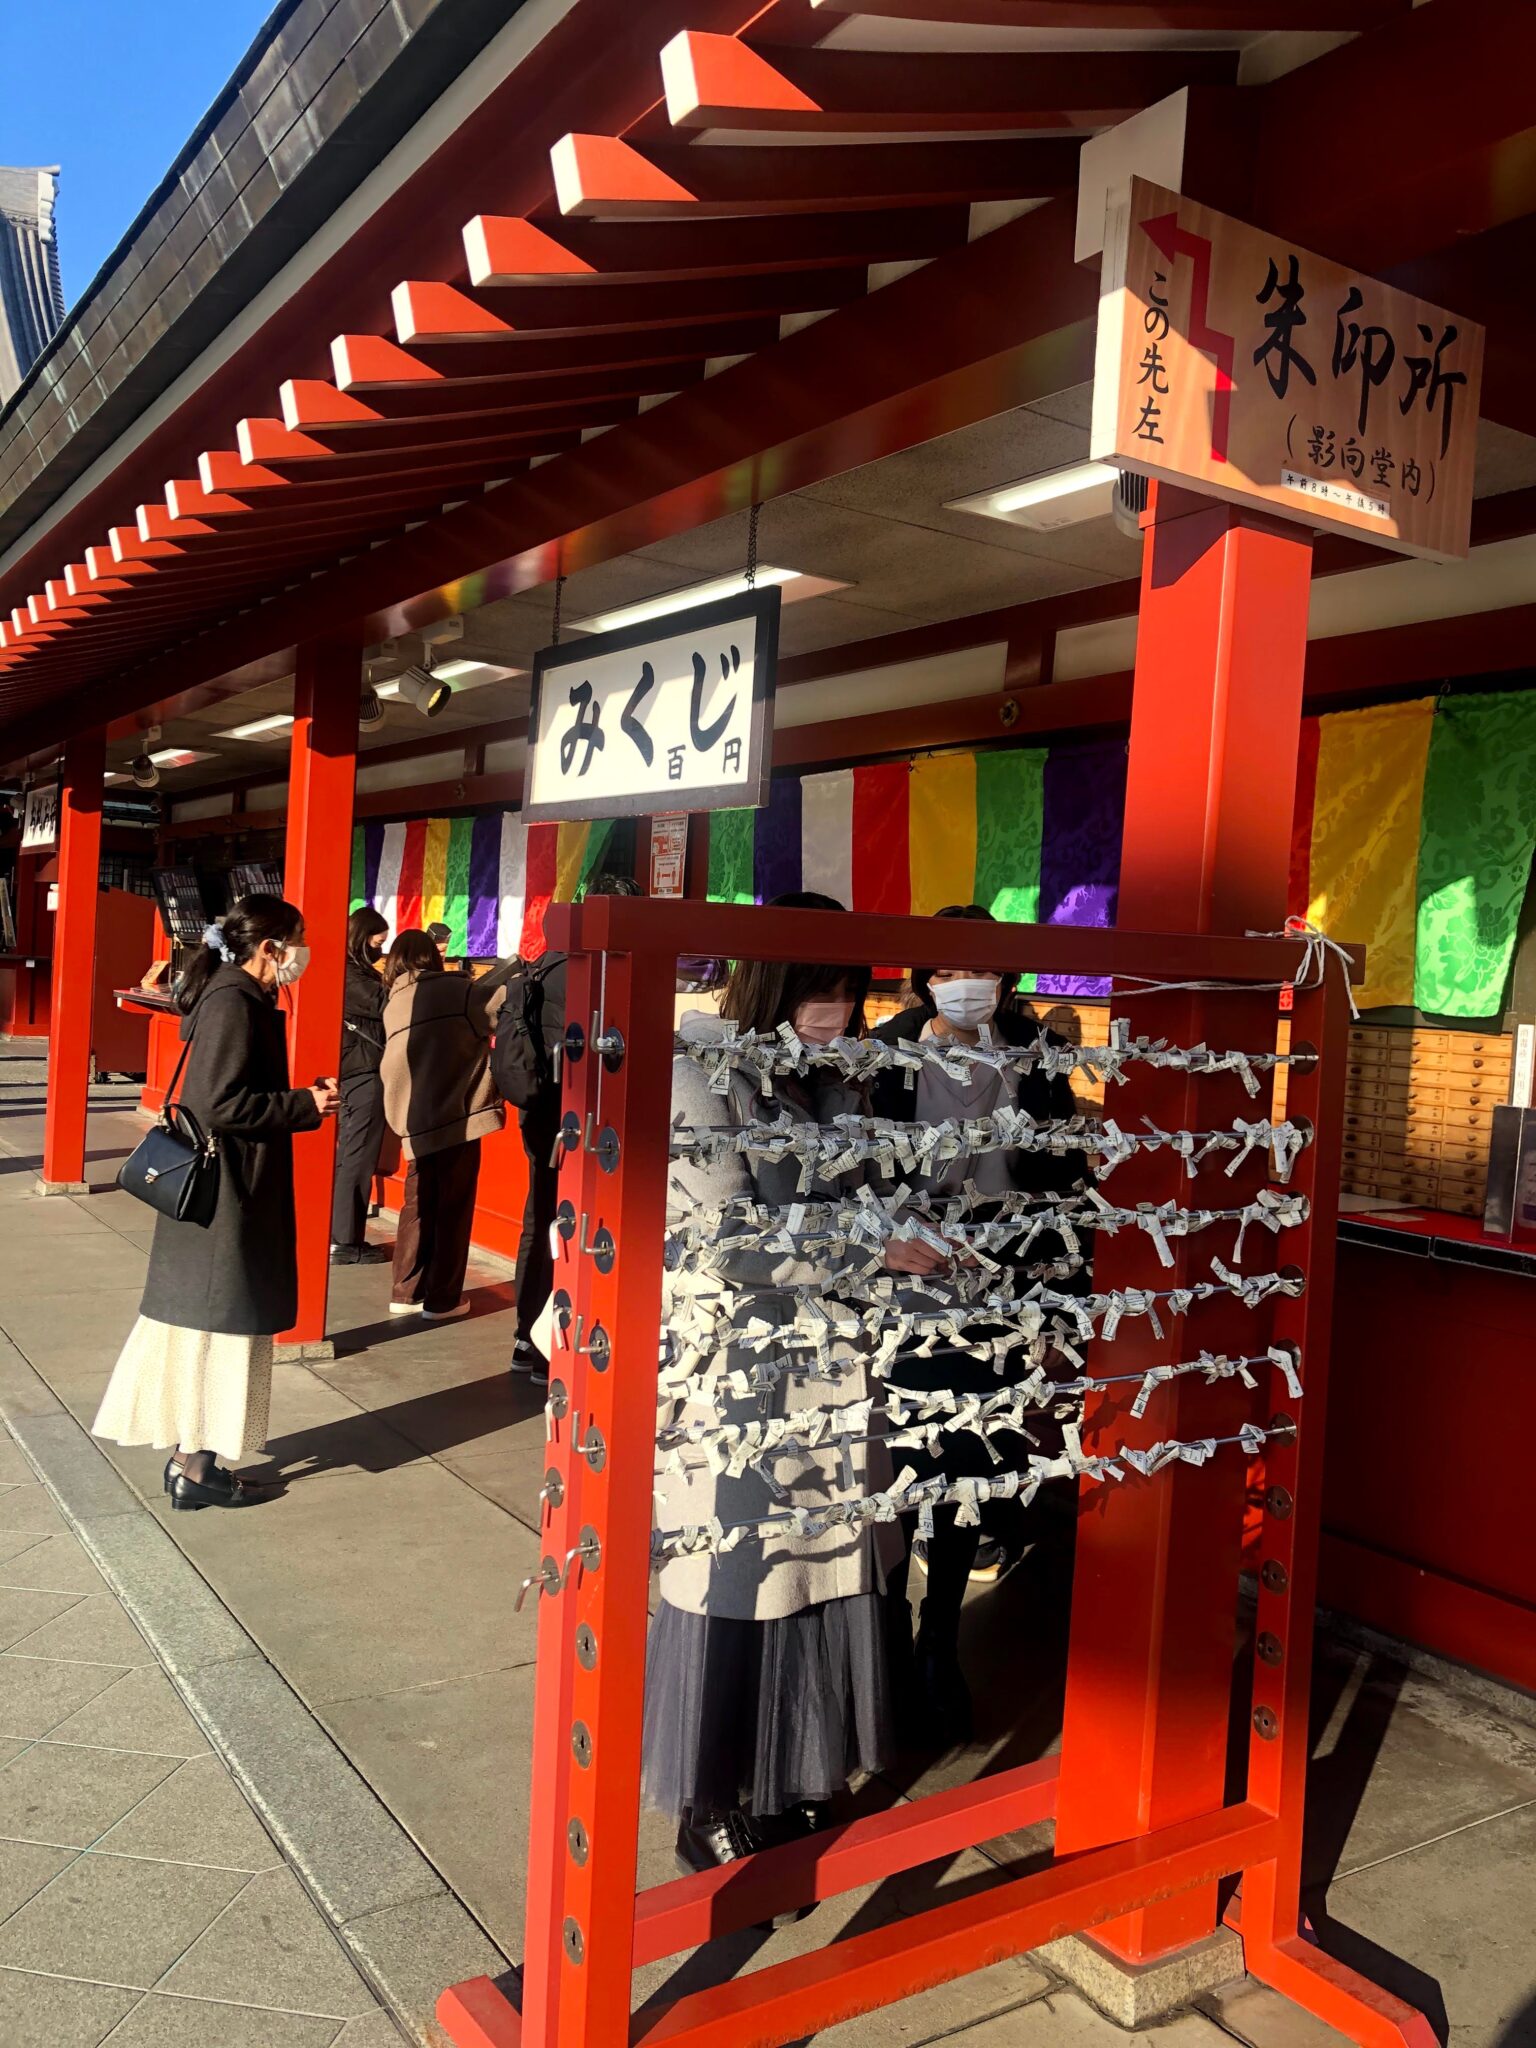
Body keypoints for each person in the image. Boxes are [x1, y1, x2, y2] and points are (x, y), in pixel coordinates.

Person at [644, 892, 951, 1873]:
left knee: (820, 1583)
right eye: (821, 990)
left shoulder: (836, 1080)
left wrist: (907, 1220)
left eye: (851, 993)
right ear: (770, 980)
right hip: (741, 1378)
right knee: (739, 1577)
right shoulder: (698, 1071)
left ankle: (800, 1771)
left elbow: (861, 1196)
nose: (838, 1011)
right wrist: (869, 1244)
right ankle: (710, 1794)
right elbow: (724, 1235)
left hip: (834, 1372)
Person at [870, 903, 1088, 1749]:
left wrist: (1061, 1305)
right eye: (952, 970)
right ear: (925, 980)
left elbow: (1066, 1180)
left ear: (1006, 978)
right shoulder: (884, 1058)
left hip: (997, 1299)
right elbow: (848, 1175)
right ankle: (887, 1641)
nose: (969, 984)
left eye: (984, 969)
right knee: (899, 1468)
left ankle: (939, 1641)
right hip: (902, 1300)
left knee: (970, 1464)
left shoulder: (1035, 1058)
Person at [93, 895, 339, 1510]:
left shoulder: (234, 995)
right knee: (222, 1329)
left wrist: (298, 1100)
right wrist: (305, 1104)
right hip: (227, 1195)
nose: (302, 954)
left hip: (224, 1192)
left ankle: (193, 1464)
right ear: (270, 948)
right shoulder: (234, 1002)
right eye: (297, 940)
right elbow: (220, 1103)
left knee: (214, 1330)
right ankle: (196, 1470)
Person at [495, 874, 643, 1385]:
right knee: (575, 1226)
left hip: (540, 1112)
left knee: (540, 1218)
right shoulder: (599, 970)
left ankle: (525, 1338)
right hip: (581, 1117)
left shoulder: (547, 962)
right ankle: (551, 1348)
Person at [381, 928, 509, 1320]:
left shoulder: (394, 1001)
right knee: (453, 1209)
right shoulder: (456, 991)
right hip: (456, 1117)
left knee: (417, 1206)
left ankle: (405, 1292)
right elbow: (501, 1009)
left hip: (414, 1120)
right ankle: (443, 1299)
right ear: (432, 957)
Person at [332, 906, 390, 1266]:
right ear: (361, 938)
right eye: (377, 943)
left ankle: (340, 1233)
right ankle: (345, 1240)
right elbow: (383, 1004)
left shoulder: (353, 970)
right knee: (358, 1157)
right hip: (362, 1070)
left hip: (355, 1069)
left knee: (350, 1156)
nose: (379, 950)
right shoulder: (351, 974)